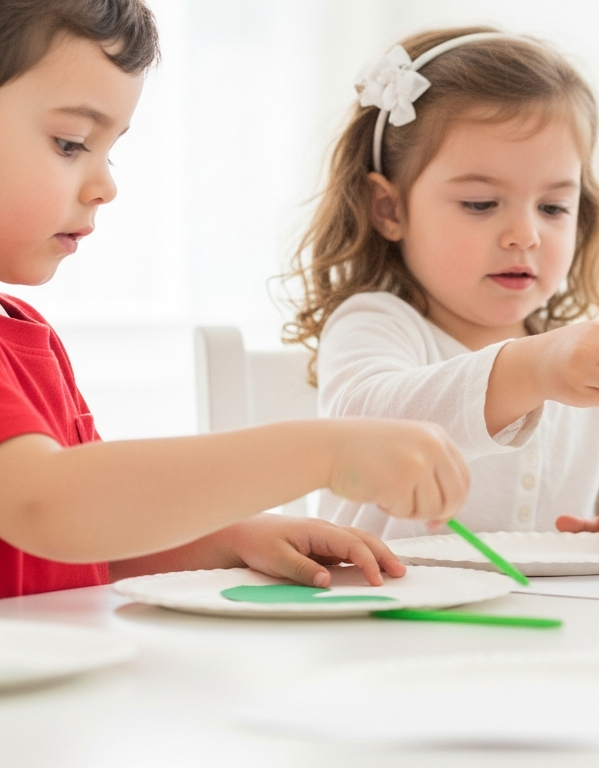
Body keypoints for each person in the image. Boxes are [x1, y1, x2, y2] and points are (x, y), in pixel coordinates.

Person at [0, 0, 471, 598]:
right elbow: (47, 505)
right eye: (71, 143)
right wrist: (324, 452)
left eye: (109, 151)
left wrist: (237, 536)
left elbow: (86, 535)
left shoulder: (28, 334)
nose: (106, 186)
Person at [286, 27, 599, 545]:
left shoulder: (583, 370)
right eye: (480, 203)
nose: (525, 235)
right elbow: (365, 432)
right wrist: (533, 369)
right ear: (389, 208)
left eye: (553, 207)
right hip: (384, 598)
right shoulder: (376, 324)